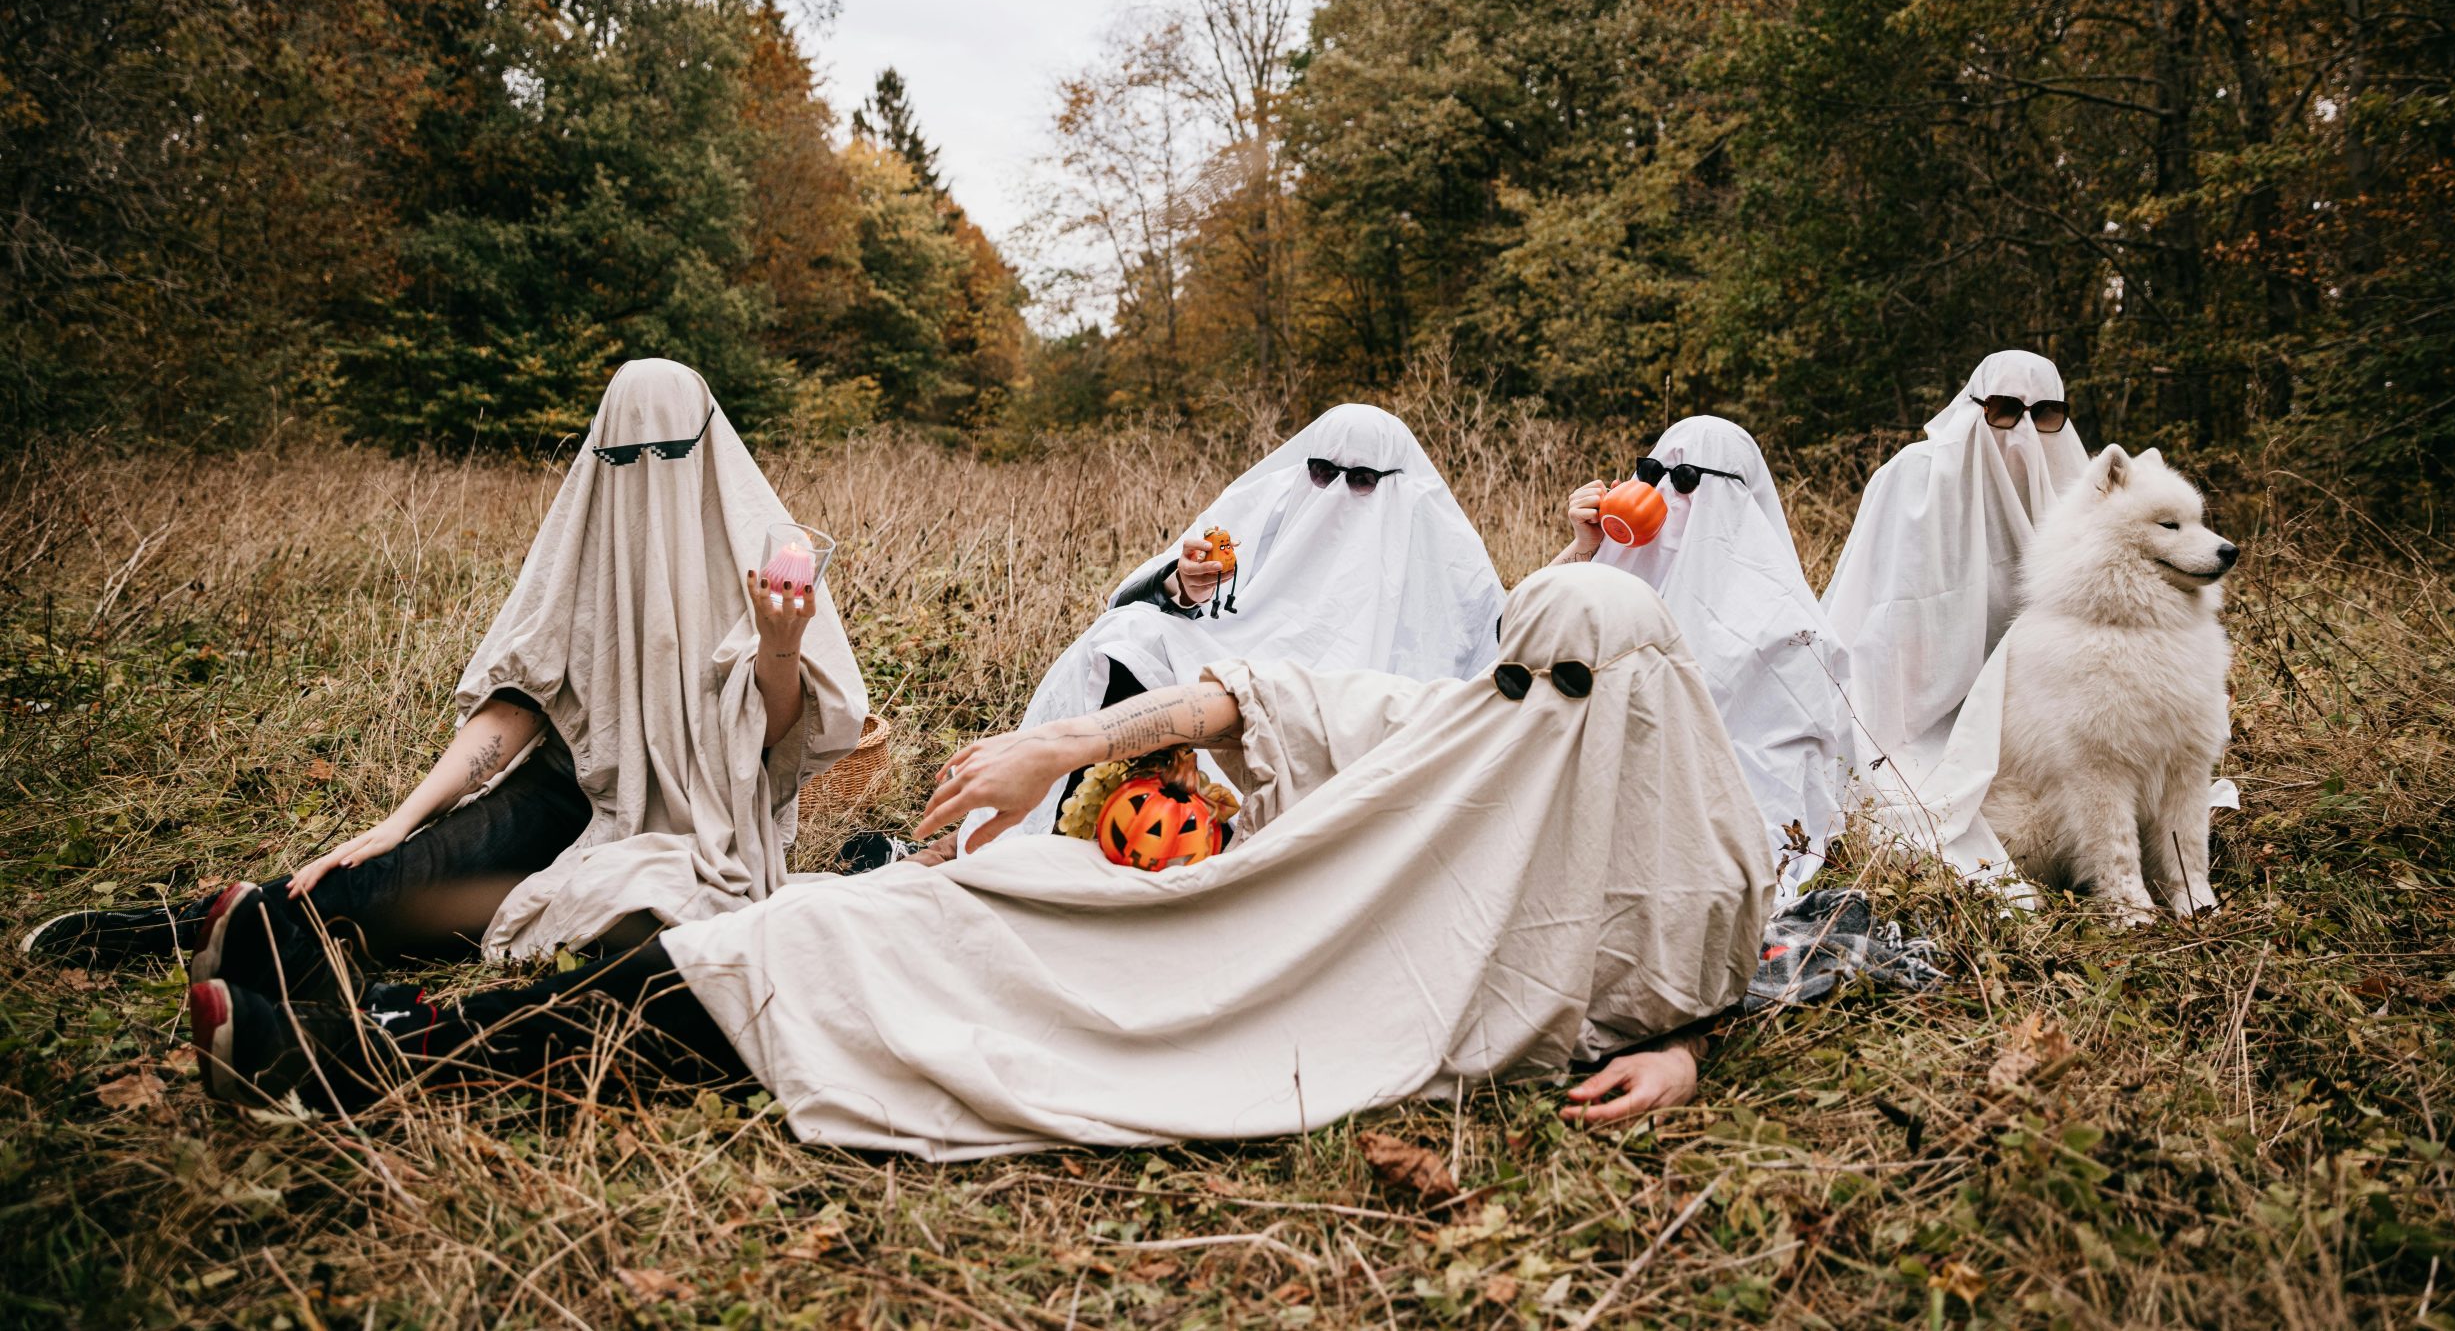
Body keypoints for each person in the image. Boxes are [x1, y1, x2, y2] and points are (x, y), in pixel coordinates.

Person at [187, 565, 1775, 1157]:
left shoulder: (1701, 868)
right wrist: (1057, 751)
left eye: (1563, 694)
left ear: (1651, 715)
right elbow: (1259, 694)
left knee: (822, 972)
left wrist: (1691, 1057)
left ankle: (367, 1066)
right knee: (858, 926)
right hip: (1183, 921)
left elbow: (1728, 968)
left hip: (1271, 1020)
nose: (1528, 715)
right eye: (1515, 676)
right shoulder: (1462, 730)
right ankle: (385, 1032)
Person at [25, 359, 868, 997]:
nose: (644, 473)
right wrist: (402, 819)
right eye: (625, 454)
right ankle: (180, 927)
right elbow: (523, 697)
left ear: (705, 448)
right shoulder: (587, 536)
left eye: (666, 452)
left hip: (704, 811)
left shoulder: (764, 551)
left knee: (636, 928)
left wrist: (779, 646)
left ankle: (260, 940)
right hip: (574, 786)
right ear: (600, 452)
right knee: (391, 884)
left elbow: (776, 740)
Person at [911, 402, 1504, 860]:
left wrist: (1587, 556)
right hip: (1233, 658)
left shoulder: (1434, 536)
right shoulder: (1275, 499)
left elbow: (1492, 638)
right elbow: (1162, 587)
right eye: (1324, 473)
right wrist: (1185, 585)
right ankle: (1067, 830)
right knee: (1126, 633)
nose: (1336, 496)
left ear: (1394, 481)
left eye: (1361, 482)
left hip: (1350, 697)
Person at [1552, 414, 1852, 901]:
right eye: (1655, 476)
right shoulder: (1616, 578)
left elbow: (1779, 784)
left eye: (1691, 483)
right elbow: (1521, 635)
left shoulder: (1788, 628)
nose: (1673, 496)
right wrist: (1583, 547)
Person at [1819, 350, 2088, 878]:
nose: (2026, 434)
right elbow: (1884, 604)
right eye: (2006, 410)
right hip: (1920, 699)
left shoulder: (2077, 488)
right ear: (1975, 407)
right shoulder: (1915, 475)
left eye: (2046, 414)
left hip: (2039, 698)